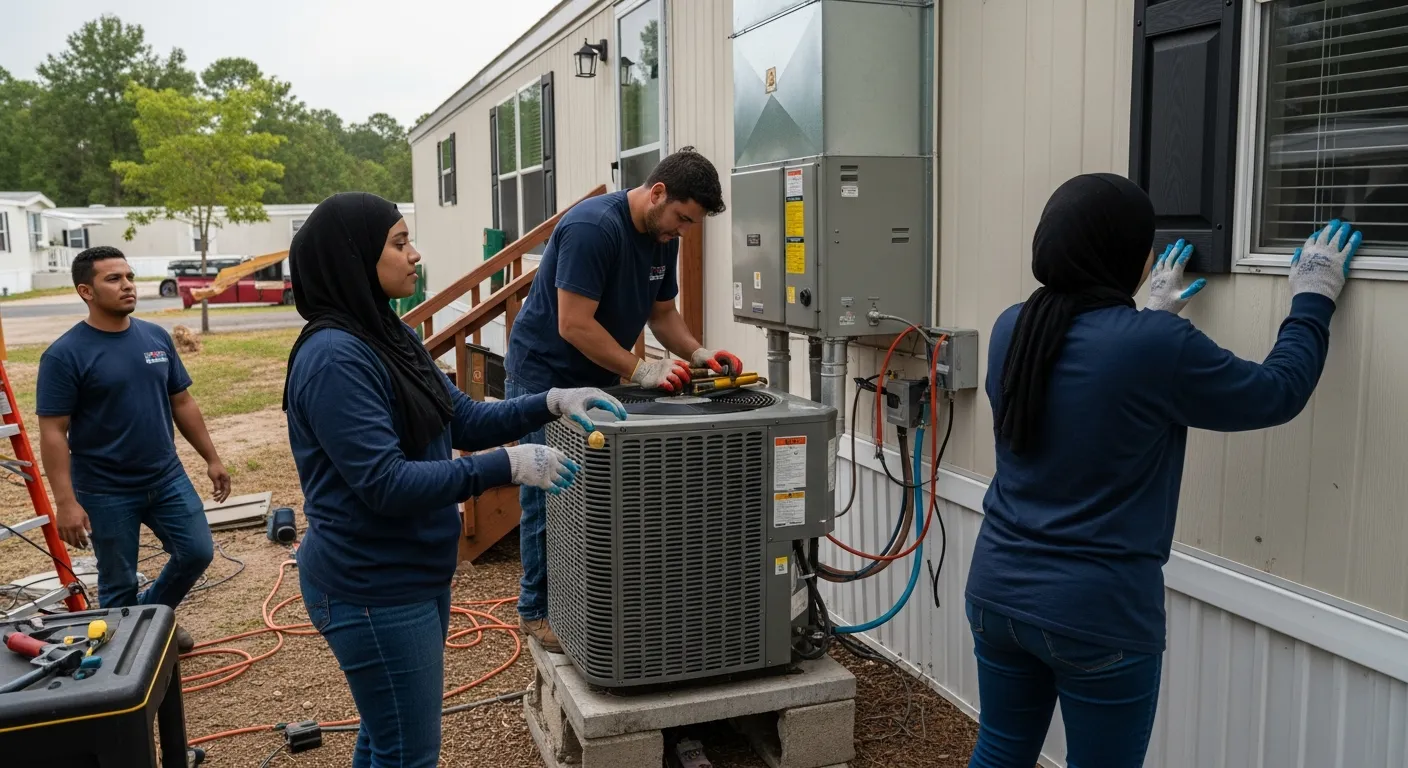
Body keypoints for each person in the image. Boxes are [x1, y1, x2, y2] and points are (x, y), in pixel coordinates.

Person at [963, 173, 1362, 768]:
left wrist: (1148, 314)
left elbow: (1087, 400)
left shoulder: (1012, 328)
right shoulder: (1152, 347)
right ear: (1123, 252)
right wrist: (1312, 296)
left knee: (1000, 750)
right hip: (1097, 617)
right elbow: (1275, 392)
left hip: (997, 594)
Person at [282, 192, 626, 768]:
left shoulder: (388, 335)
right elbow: (384, 483)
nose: (414, 255)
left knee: (385, 735)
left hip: (412, 572)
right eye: (398, 243)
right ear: (352, 257)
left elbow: (461, 416)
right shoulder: (335, 357)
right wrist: (506, 466)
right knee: (408, 752)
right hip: (372, 586)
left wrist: (551, 400)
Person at [504, 147, 746, 650]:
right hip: (544, 373)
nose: (681, 231)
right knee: (545, 487)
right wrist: (641, 368)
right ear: (657, 192)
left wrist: (699, 353)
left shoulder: (663, 237)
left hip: (598, 373)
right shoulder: (594, 228)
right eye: (681, 218)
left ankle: (584, 598)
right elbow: (572, 324)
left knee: (593, 492)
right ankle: (535, 610)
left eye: (690, 225)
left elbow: (662, 316)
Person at [37, 246, 230, 653]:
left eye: (128, 276)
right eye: (114, 279)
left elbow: (182, 402)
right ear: (86, 291)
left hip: (166, 476)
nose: (127, 285)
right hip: (106, 490)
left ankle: (150, 618)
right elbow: (53, 431)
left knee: (196, 551)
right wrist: (66, 502)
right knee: (118, 581)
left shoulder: (155, 337)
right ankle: (124, 665)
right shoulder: (64, 354)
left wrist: (211, 458)